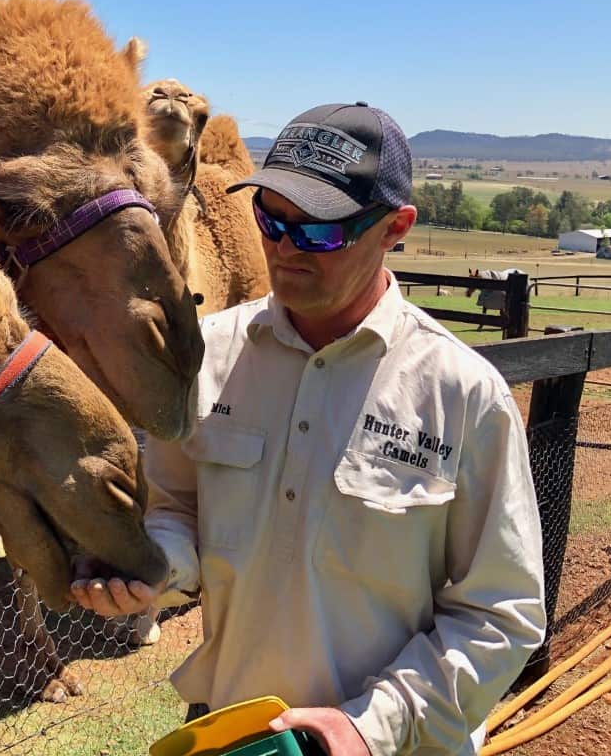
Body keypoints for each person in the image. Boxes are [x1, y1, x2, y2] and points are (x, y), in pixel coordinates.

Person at [73, 103, 546, 755]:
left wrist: (369, 726)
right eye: (270, 219)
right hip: (234, 738)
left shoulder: (462, 394)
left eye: (320, 231)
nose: (285, 248)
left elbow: (502, 615)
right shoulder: (207, 357)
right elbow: (177, 509)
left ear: (395, 227)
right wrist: (150, 566)